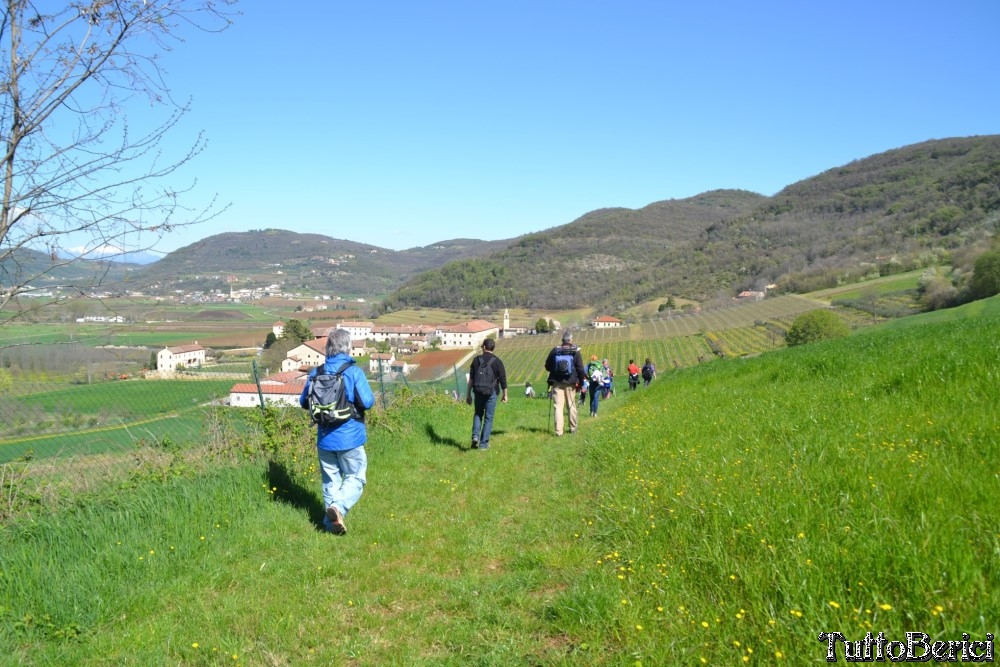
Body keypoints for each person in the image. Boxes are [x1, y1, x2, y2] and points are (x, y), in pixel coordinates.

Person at [299, 328, 376, 536]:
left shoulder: (316, 372)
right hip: (350, 437)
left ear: (328, 348)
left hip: (325, 438)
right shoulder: (353, 372)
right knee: (356, 478)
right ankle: (338, 509)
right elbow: (367, 402)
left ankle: (329, 525)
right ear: (348, 347)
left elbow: (303, 402)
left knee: (330, 481)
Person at [465, 338, 508, 450]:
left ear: (484, 347)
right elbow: (503, 379)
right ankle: (483, 445)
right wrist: (505, 394)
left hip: (478, 391)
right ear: (493, 348)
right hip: (491, 392)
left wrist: (468, 394)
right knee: (488, 418)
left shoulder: (476, 360)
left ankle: (475, 436)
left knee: (478, 414)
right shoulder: (497, 361)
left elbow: (471, 379)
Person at [544, 330, 585, 436]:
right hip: (571, 382)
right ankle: (573, 428)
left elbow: (547, 366)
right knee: (571, 405)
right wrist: (581, 383)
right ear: (571, 340)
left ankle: (559, 431)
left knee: (558, 406)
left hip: (557, 382)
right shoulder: (575, 351)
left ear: (562, 340)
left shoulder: (555, 350)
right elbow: (580, 369)